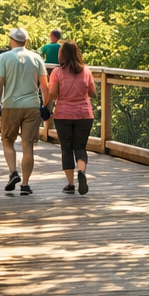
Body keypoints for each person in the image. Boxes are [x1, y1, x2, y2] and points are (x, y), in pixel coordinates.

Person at [0, 26, 47, 195]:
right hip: (32, 106)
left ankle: (12, 172)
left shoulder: (4, 57)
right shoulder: (36, 58)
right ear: (26, 41)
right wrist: (46, 106)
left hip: (11, 106)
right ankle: (25, 184)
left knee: (7, 140)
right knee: (27, 145)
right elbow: (45, 85)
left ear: (11, 40)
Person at [45, 40, 96, 193]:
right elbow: (93, 92)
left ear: (63, 55)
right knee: (80, 147)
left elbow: (53, 94)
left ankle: (70, 184)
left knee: (66, 149)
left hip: (63, 115)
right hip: (85, 114)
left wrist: (47, 100)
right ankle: (81, 172)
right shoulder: (86, 70)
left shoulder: (57, 72)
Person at [39, 30, 63, 140]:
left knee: (47, 91)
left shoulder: (47, 46)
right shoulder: (61, 47)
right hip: (60, 73)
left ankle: (46, 111)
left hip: (48, 72)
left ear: (52, 36)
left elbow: (40, 55)